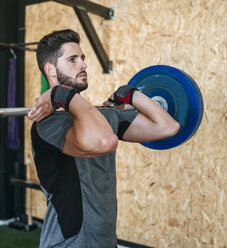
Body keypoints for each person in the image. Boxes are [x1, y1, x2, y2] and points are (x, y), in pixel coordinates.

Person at [27, 29, 180, 248]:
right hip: (66, 244)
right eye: (72, 59)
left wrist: (131, 94)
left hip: (106, 241)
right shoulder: (48, 125)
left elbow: (168, 127)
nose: (83, 65)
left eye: (83, 58)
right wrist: (60, 94)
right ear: (50, 70)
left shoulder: (105, 114)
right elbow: (104, 141)